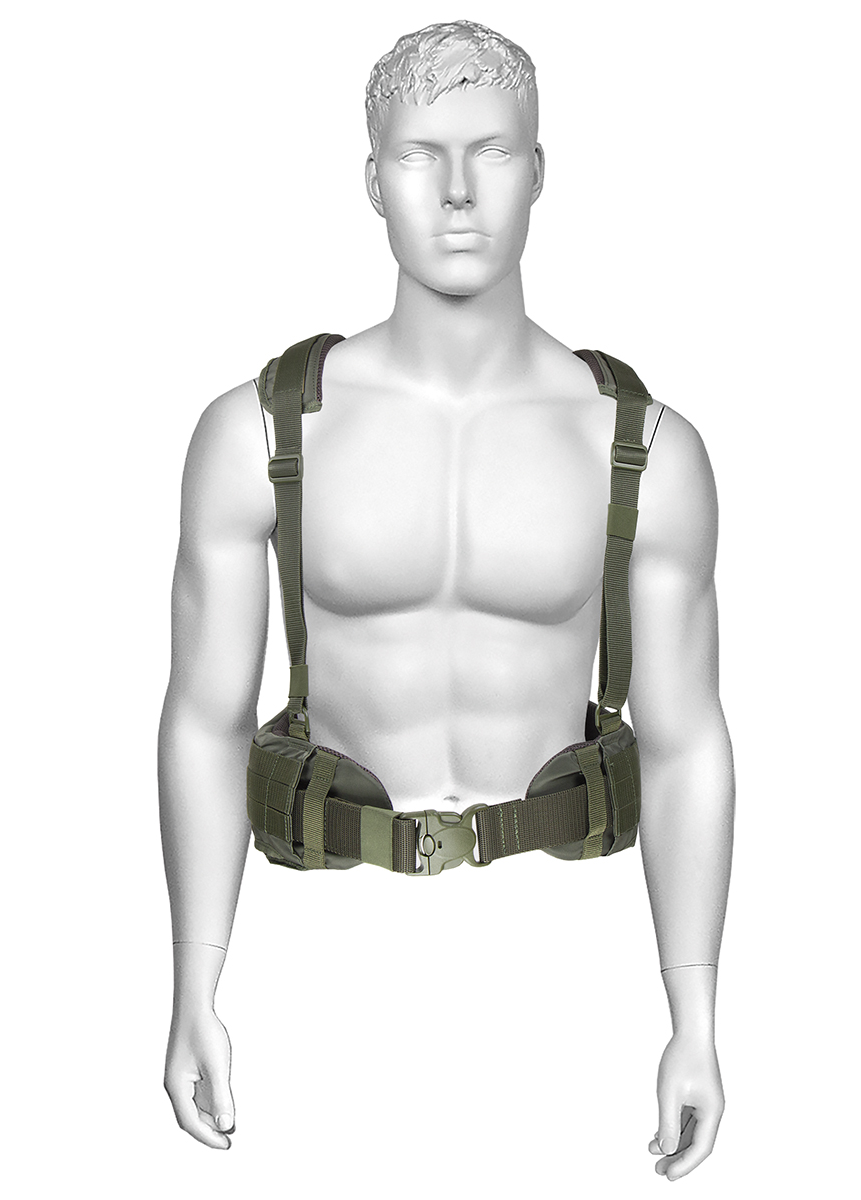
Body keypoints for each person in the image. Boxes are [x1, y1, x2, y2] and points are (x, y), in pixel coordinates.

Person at [159, 19, 735, 1182]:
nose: (459, 190)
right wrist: (192, 985)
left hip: (561, 961)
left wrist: (697, 1019)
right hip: (328, 962)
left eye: (493, 150)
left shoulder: (642, 447)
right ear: (374, 180)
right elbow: (203, 723)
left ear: (539, 169)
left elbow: (687, 743)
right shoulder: (257, 434)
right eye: (422, 153)